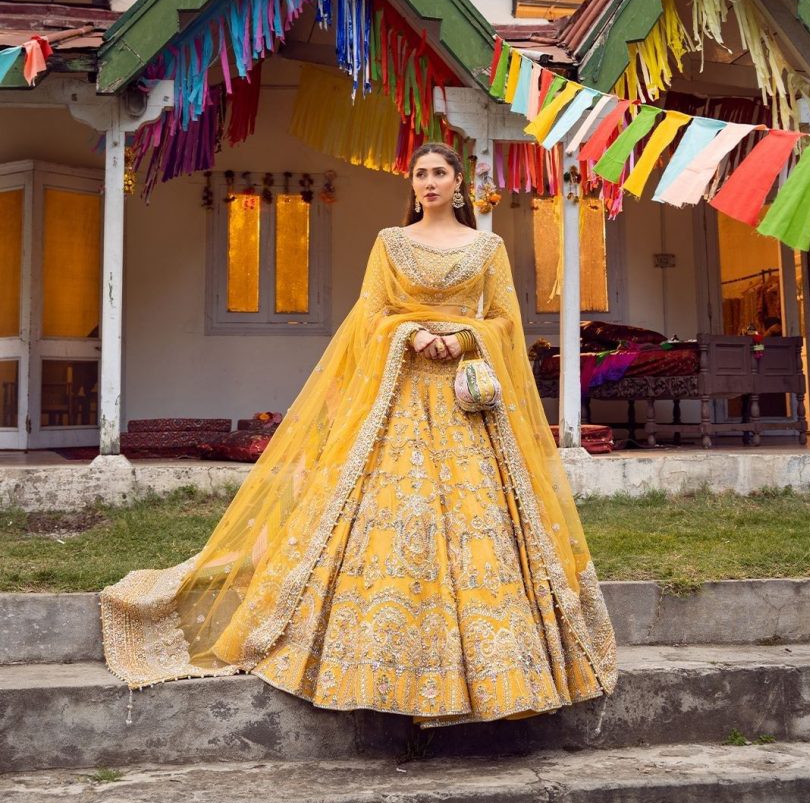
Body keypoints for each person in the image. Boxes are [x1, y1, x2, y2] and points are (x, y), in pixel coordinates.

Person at [101, 142, 617, 726]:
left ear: (459, 183)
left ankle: (496, 671)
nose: (428, 182)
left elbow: (504, 319)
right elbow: (369, 314)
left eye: (439, 173)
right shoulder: (390, 243)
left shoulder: (488, 246)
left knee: (480, 522)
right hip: (401, 395)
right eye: (420, 174)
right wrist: (410, 335)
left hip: (466, 404)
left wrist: (466, 339)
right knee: (398, 512)